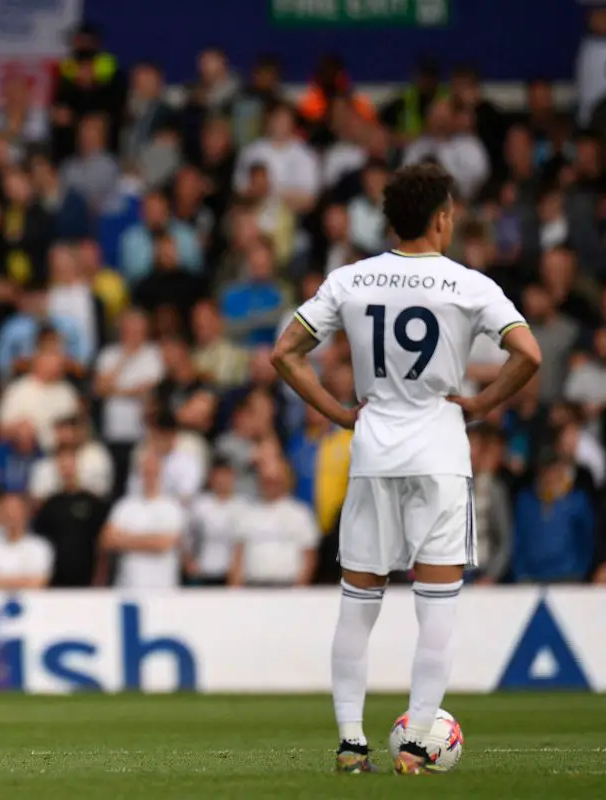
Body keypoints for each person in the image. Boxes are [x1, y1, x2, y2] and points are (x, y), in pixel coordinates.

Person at [271, 163, 542, 775]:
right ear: (443, 218)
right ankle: (418, 744)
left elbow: (285, 352)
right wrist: (478, 404)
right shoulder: (468, 284)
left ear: (391, 220)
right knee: (436, 604)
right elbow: (528, 354)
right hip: (440, 457)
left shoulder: (349, 279)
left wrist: (340, 413)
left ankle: (350, 743)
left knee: (357, 604)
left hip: (371, 456)